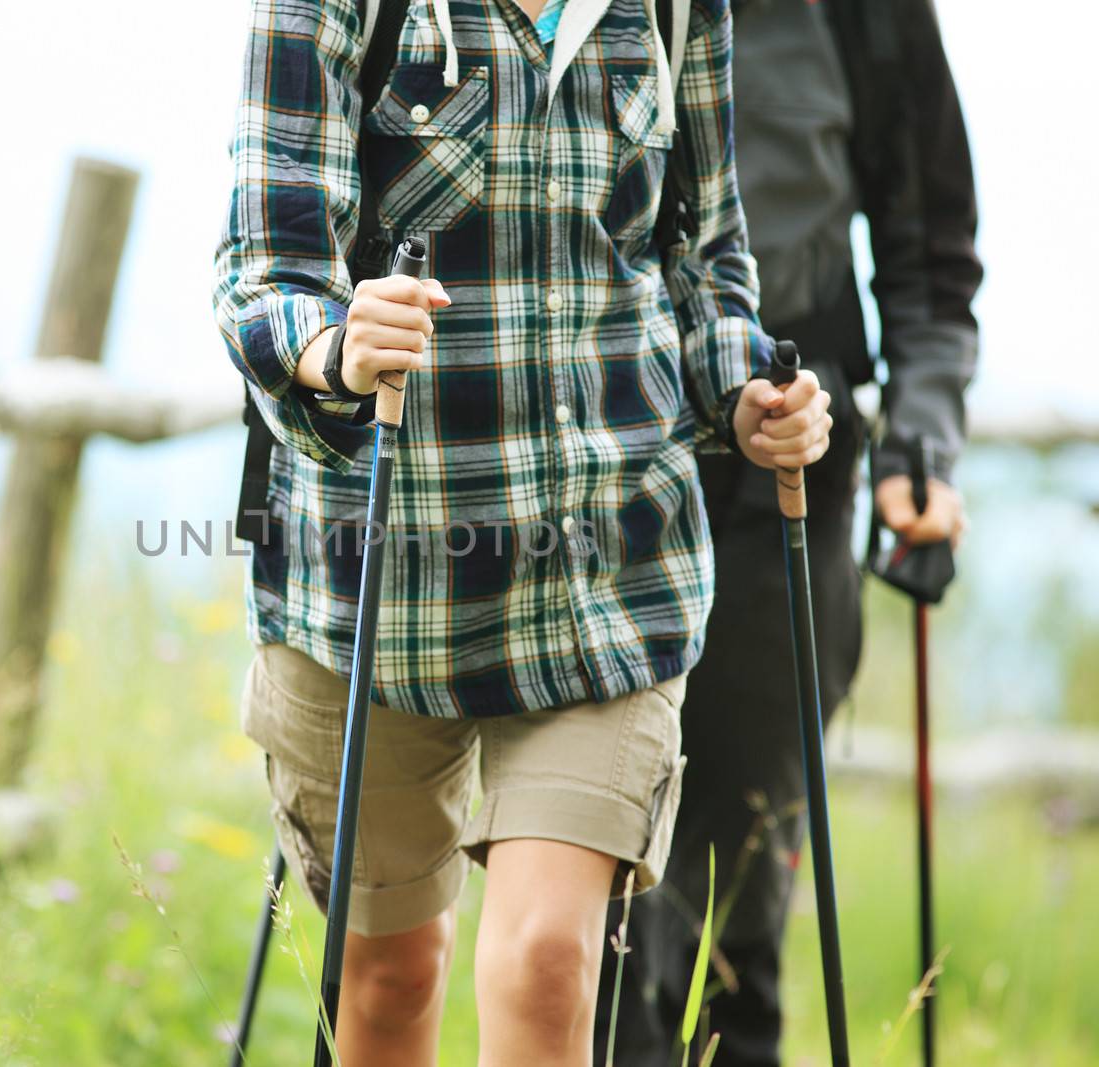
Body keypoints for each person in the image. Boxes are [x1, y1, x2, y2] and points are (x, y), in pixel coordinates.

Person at [212, 0, 835, 1062]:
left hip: (610, 566)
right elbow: (264, 268)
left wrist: (745, 393)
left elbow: (707, 257)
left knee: (548, 961)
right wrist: (335, 349)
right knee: (387, 981)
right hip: (373, 582)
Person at [590, 0, 982, 1063]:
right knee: (590, 919)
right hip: (589, 487)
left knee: (732, 916)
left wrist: (924, 438)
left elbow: (931, 259)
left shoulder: (867, 17)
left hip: (785, 491)